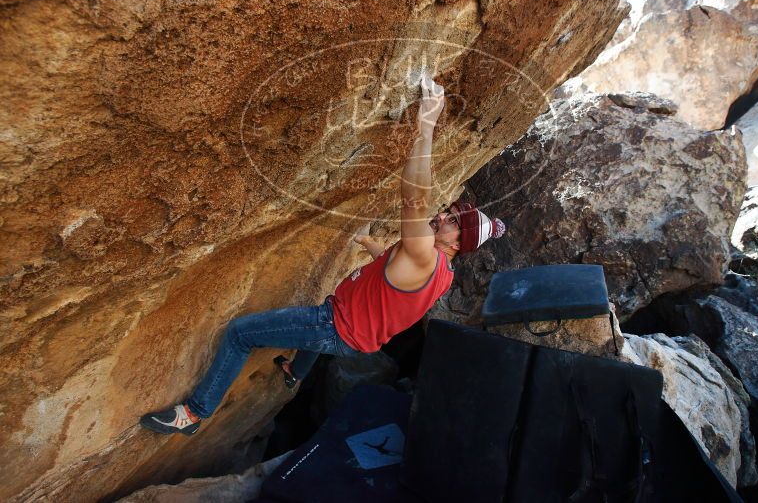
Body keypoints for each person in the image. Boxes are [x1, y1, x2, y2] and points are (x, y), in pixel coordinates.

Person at [140, 76, 505, 435]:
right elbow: (395, 273)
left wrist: (427, 126)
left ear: (458, 244)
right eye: (451, 210)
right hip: (354, 335)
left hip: (335, 326)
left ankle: (194, 413)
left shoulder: (425, 254)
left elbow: (414, 198)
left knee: (240, 334)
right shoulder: (441, 272)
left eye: (453, 221)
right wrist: (370, 245)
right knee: (322, 315)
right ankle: (295, 373)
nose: (443, 215)